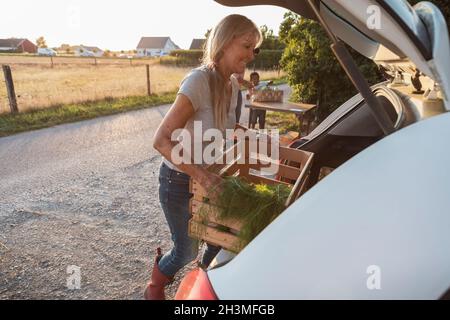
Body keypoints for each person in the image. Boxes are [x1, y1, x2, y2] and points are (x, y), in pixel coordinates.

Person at [145, 14, 262, 300]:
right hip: (178, 180)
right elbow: (161, 140)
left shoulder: (233, 87)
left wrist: (249, 134)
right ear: (224, 42)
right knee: (185, 251)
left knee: (217, 238)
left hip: (209, 179)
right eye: (247, 45)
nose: (251, 55)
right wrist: (201, 175)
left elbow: (225, 125)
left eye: (254, 49)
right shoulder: (198, 81)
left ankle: (198, 289)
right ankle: (154, 287)